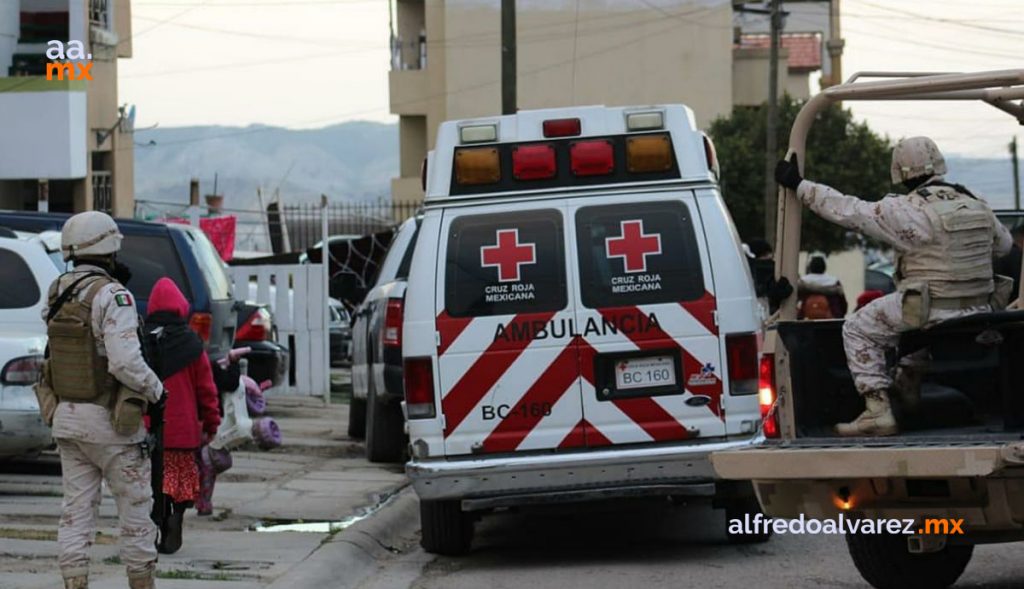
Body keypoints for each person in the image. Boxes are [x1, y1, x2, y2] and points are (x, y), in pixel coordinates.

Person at [775, 137, 1012, 436]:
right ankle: (908, 387)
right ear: (939, 163)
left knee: (859, 327)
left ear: (899, 172)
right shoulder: (975, 200)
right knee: (915, 330)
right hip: (981, 309)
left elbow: (848, 210)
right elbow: (1003, 247)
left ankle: (878, 410)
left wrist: (799, 185)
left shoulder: (903, 210)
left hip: (931, 309)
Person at [37, 212, 164, 589]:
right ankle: (142, 582)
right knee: (136, 509)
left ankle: (74, 582)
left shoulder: (58, 290)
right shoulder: (113, 295)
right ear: (108, 247)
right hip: (112, 423)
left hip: (68, 418)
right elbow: (125, 362)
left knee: (76, 513)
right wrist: (157, 390)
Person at [143, 278, 221, 554]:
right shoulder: (191, 343)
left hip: (150, 428)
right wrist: (212, 422)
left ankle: (158, 519)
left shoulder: (142, 338)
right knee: (180, 482)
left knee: (154, 482)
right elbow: (206, 389)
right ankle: (176, 516)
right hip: (183, 432)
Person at [797, 255, 847, 319]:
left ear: (810, 267)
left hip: (805, 319)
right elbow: (843, 304)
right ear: (824, 267)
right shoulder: (834, 282)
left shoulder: (802, 282)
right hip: (831, 319)